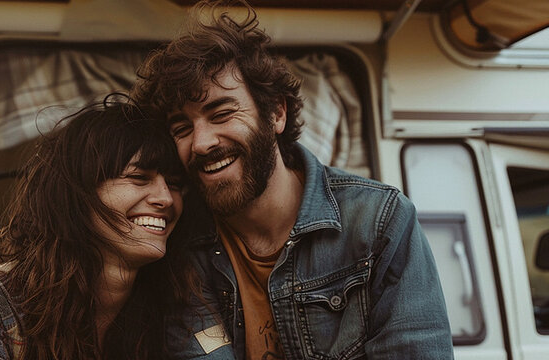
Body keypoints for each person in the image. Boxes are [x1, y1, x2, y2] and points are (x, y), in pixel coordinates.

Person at [132, 1, 455, 359]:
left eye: (222, 113)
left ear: (276, 113)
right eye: (182, 128)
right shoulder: (183, 242)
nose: (202, 142)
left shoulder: (379, 222)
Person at [0, 97, 195, 359]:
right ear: (78, 195)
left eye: (174, 184)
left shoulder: (180, 304)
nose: (166, 198)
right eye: (139, 178)